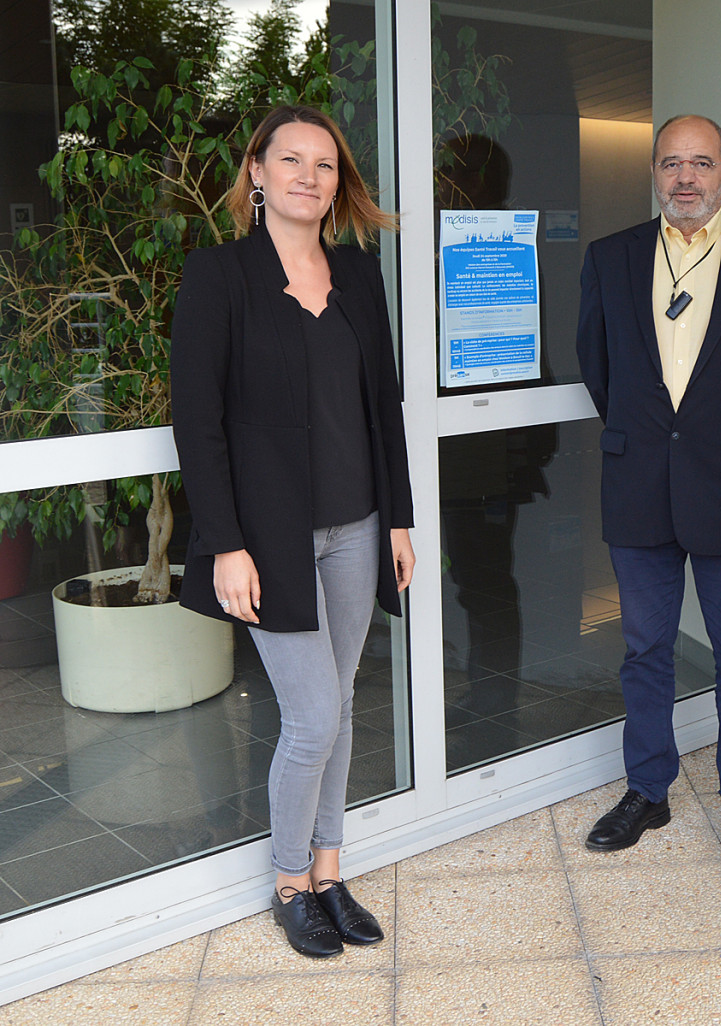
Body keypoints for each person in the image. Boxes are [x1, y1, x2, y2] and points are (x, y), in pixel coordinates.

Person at [171, 105, 416, 959]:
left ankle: (331, 868)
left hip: (357, 526)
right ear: (258, 174)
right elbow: (197, 423)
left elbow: (382, 407)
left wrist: (401, 518)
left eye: (326, 165)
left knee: (341, 705)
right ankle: (287, 881)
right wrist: (225, 540)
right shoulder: (219, 275)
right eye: (293, 161)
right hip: (268, 539)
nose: (310, 177)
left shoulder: (357, 274)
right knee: (313, 716)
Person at [575, 114, 721, 868]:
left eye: (701, 163)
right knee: (645, 648)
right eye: (672, 163)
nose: (686, 178)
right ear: (654, 171)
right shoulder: (611, 258)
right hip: (638, 484)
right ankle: (648, 789)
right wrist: (655, 439)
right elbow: (597, 364)